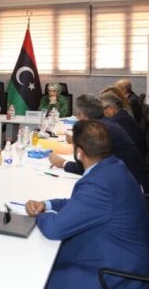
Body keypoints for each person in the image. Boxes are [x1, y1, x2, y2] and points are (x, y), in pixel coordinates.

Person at [25, 120, 149, 288]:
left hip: (115, 272)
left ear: (79, 153)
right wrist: (47, 204)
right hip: (122, 255)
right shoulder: (115, 166)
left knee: (37, 275)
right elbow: (81, 205)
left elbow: (54, 229)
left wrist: (39, 215)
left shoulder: (98, 183)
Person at [49, 94, 148, 192]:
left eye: (78, 115)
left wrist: (64, 163)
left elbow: (89, 166)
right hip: (128, 177)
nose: (77, 119)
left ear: (83, 116)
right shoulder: (105, 123)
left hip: (133, 187)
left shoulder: (99, 132)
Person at [101, 90, 147, 159]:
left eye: (103, 109)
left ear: (111, 109)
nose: (102, 112)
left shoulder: (117, 121)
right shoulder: (123, 116)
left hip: (133, 159)